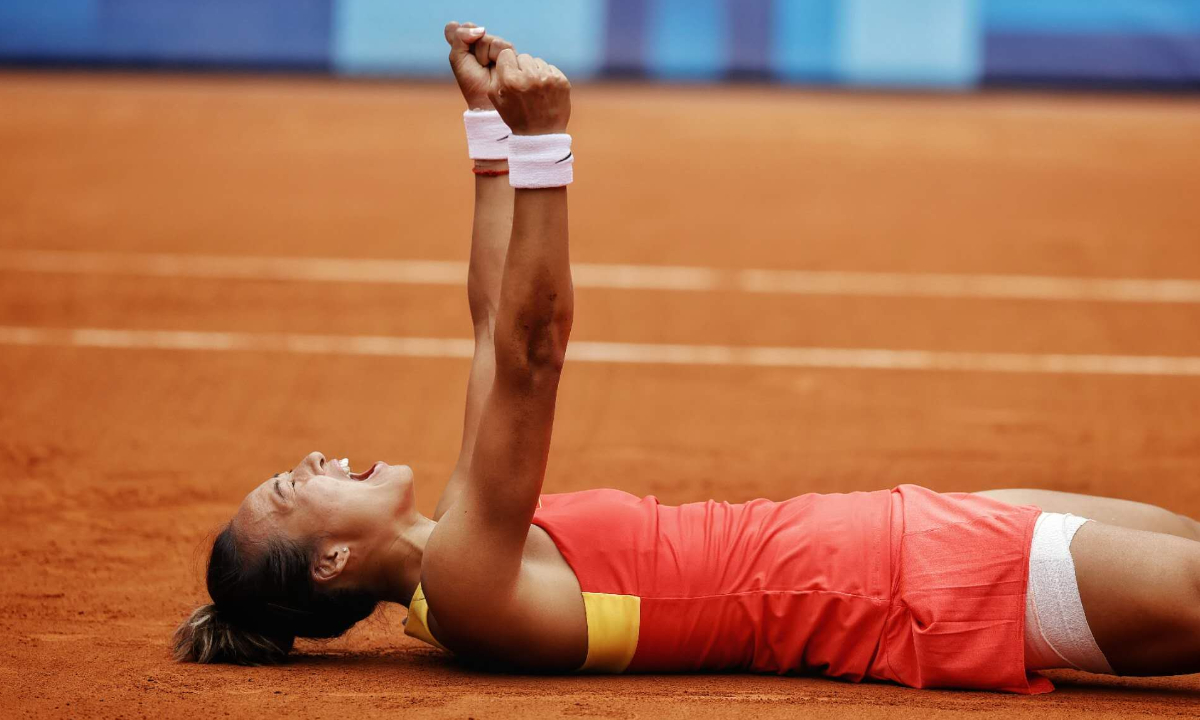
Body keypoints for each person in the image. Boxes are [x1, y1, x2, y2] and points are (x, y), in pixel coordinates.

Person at [173, 23, 1200, 693]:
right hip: (913, 586)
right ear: (331, 562)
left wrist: (489, 136)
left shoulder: (456, 554)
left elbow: (492, 328)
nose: (307, 459)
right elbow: (534, 352)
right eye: (287, 488)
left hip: (910, 532)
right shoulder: (470, 582)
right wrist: (547, 150)